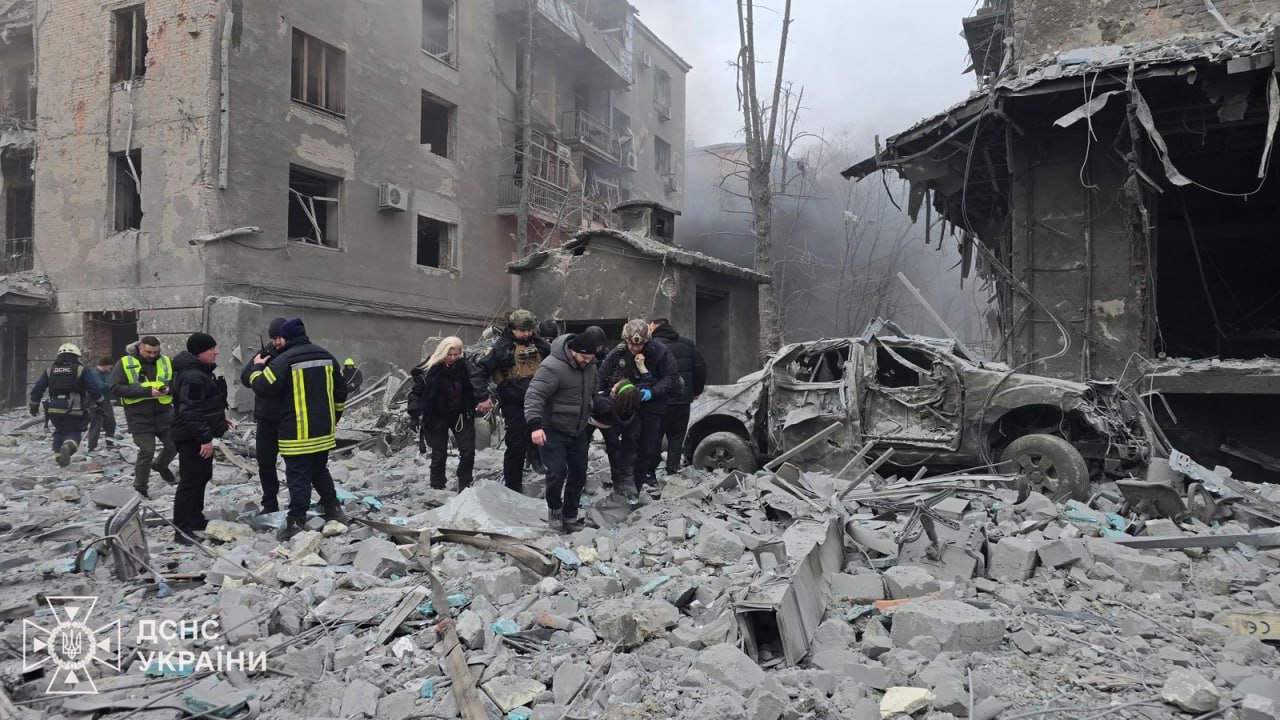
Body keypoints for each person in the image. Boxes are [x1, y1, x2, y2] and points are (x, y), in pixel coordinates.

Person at [247, 318, 350, 541]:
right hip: (323, 431)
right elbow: (341, 391)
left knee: (298, 477)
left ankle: (295, 521)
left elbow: (262, 386)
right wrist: (334, 417)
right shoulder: (327, 356)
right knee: (319, 470)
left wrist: (257, 368)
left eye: (279, 338)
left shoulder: (285, 360)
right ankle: (334, 510)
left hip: (296, 432)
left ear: (286, 338)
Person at [525, 327, 602, 533]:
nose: (587, 361)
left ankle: (570, 516)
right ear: (573, 351)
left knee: (579, 473)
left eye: (590, 358)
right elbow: (534, 395)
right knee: (557, 472)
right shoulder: (552, 367)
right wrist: (535, 425)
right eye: (584, 357)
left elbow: (593, 392)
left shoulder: (591, 366)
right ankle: (555, 512)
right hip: (552, 429)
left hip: (578, 430)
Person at [598, 320, 680, 502]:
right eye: (631, 345)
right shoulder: (618, 353)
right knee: (627, 440)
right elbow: (601, 376)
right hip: (626, 404)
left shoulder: (660, 352)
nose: (635, 349)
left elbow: (670, 377)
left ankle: (637, 485)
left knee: (647, 446)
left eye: (639, 345)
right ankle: (622, 481)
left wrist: (652, 392)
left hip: (652, 404)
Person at [472, 309, 550, 493]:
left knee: (542, 436)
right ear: (512, 328)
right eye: (523, 331)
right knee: (516, 445)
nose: (527, 334)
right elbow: (479, 371)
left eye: (530, 330)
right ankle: (513, 486)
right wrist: (482, 396)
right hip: (514, 402)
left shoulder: (538, 343)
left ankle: (536, 460)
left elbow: (555, 360)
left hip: (539, 400)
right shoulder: (501, 347)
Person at [170, 333, 230, 544]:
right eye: (211, 349)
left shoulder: (200, 372)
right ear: (199, 352)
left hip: (196, 434)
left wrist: (220, 421)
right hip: (191, 438)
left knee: (202, 476)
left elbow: (205, 406)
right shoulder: (193, 377)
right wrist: (205, 439)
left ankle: (195, 518)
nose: (216, 352)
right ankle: (181, 529)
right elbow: (190, 411)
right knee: (190, 481)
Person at [408, 337, 487, 491]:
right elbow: (415, 393)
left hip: (461, 415)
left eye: (456, 355)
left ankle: (465, 483)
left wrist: (482, 399)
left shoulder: (467, 368)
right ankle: (437, 486)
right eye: (449, 355)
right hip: (436, 415)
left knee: (468, 451)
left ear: (460, 353)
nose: (452, 358)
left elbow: (477, 385)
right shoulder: (428, 369)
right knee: (439, 454)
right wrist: (414, 415)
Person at [110, 336, 176, 497]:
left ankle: (160, 465)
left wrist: (169, 388)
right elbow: (115, 388)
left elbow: (177, 381)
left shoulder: (166, 361)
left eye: (155, 352)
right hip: (138, 415)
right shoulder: (125, 362)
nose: (152, 355)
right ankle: (140, 488)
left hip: (164, 413)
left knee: (174, 445)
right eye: (148, 352)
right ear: (139, 347)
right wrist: (147, 391)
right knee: (147, 450)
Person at [648, 318, 707, 474]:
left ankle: (650, 474)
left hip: (659, 400)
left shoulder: (652, 345)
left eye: (650, 328)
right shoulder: (687, 343)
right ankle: (673, 470)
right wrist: (696, 391)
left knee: (654, 437)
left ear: (655, 328)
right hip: (682, 400)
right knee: (677, 437)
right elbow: (700, 368)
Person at [240, 317, 286, 513]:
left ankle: (298, 504)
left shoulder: (293, 353)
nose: (277, 342)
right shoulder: (265, 353)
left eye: (280, 337)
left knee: (294, 464)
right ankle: (269, 504)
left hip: (288, 419)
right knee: (266, 464)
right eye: (274, 338)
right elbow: (245, 377)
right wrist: (260, 368)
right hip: (266, 418)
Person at [29, 343, 97, 467]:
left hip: (54, 408)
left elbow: (38, 388)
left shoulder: (50, 370)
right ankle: (68, 446)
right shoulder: (81, 369)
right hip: (74, 407)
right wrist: (101, 402)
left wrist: (34, 405)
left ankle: (59, 457)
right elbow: (93, 388)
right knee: (73, 431)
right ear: (76, 356)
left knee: (59, 431)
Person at [85, 356, 118, 452]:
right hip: (94, 402)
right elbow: (99, 386)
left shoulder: (107, 373)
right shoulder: (94, 374)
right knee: (96, 424)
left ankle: (110, 444)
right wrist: (112, 385)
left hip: (106, 401)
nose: (110, 369)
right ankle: (91, 447)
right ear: (105, 365)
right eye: (110, 367)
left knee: (111, 423)